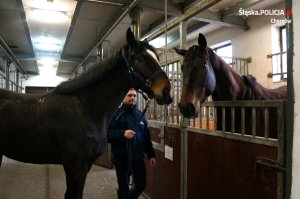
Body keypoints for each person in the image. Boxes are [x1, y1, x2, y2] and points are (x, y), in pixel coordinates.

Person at [108, 88, 156, 199]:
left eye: (134, 96)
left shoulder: (140, 115)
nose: (132, 98)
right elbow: (107, 134)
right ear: (124, 97)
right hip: (121, 158)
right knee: (124, 186)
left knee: (141, 184)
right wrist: (122, 134)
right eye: (129, 95)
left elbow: (146, 137)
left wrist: (151, 154)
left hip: (138, 157)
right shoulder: (116, 115)